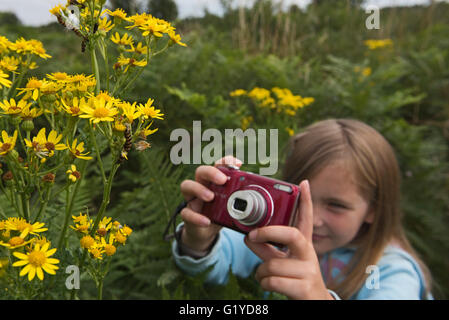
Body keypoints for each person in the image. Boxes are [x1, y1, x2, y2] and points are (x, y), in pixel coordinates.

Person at [171, 118, 433, 300]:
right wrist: (199, 238)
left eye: (336, 205)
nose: (313, 219)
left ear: (373, 210)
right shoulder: (275, 237)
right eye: (301, 199)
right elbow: (215, 263)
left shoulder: (391, 271)